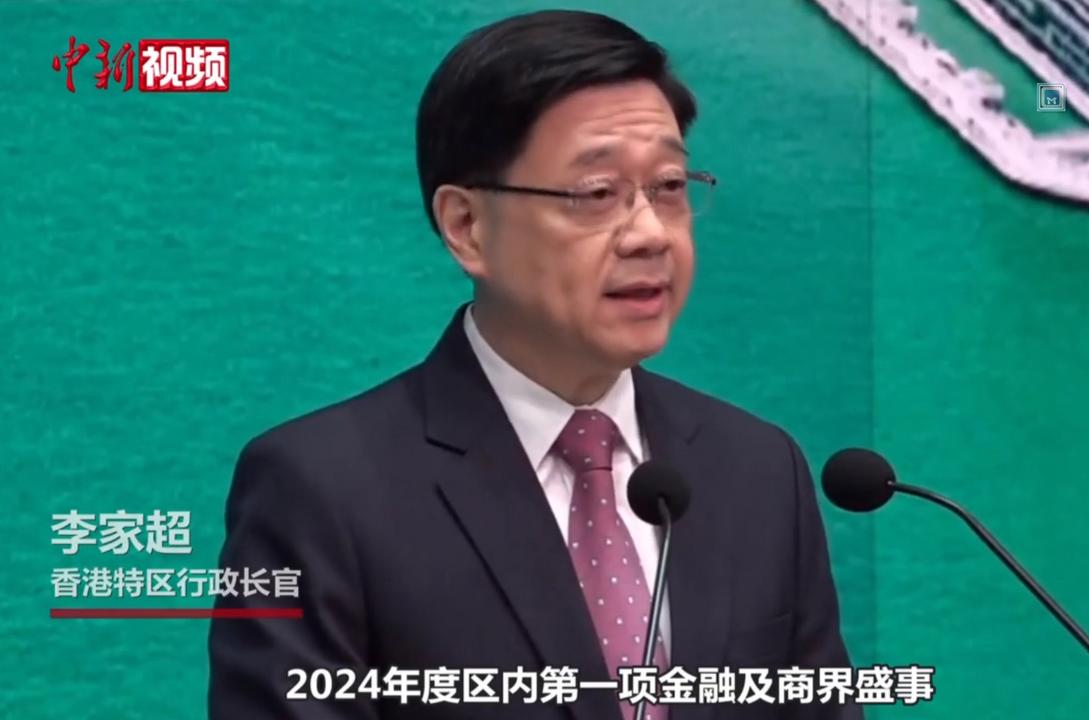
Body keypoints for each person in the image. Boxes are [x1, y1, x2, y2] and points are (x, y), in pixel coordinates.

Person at [208, 9, 860, 720]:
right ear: (467, 227)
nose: (649, 233)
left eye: (670, 187)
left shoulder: (760, 471)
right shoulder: (322, 490)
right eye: (596, 194)